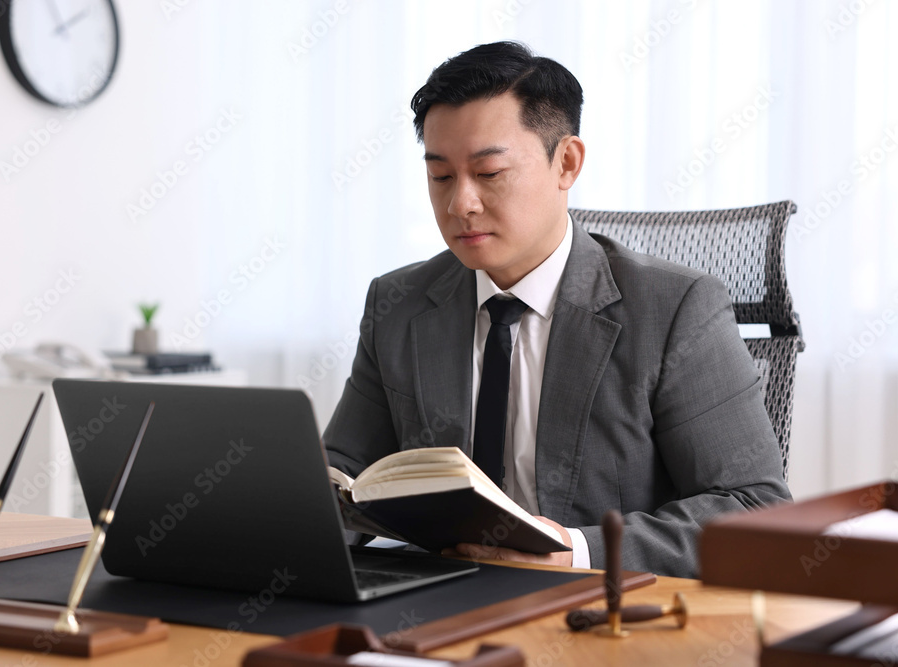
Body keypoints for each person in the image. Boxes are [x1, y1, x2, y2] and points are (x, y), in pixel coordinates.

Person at [322, 41, 790, 578]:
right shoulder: (398, 304)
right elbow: (341, 477)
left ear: (566, 162)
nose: (460, 204)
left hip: (594, 609)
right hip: (433, 606)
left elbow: (756, 509)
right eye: (441, 177)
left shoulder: (676, 309)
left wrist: (576, 549)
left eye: (490, 173)